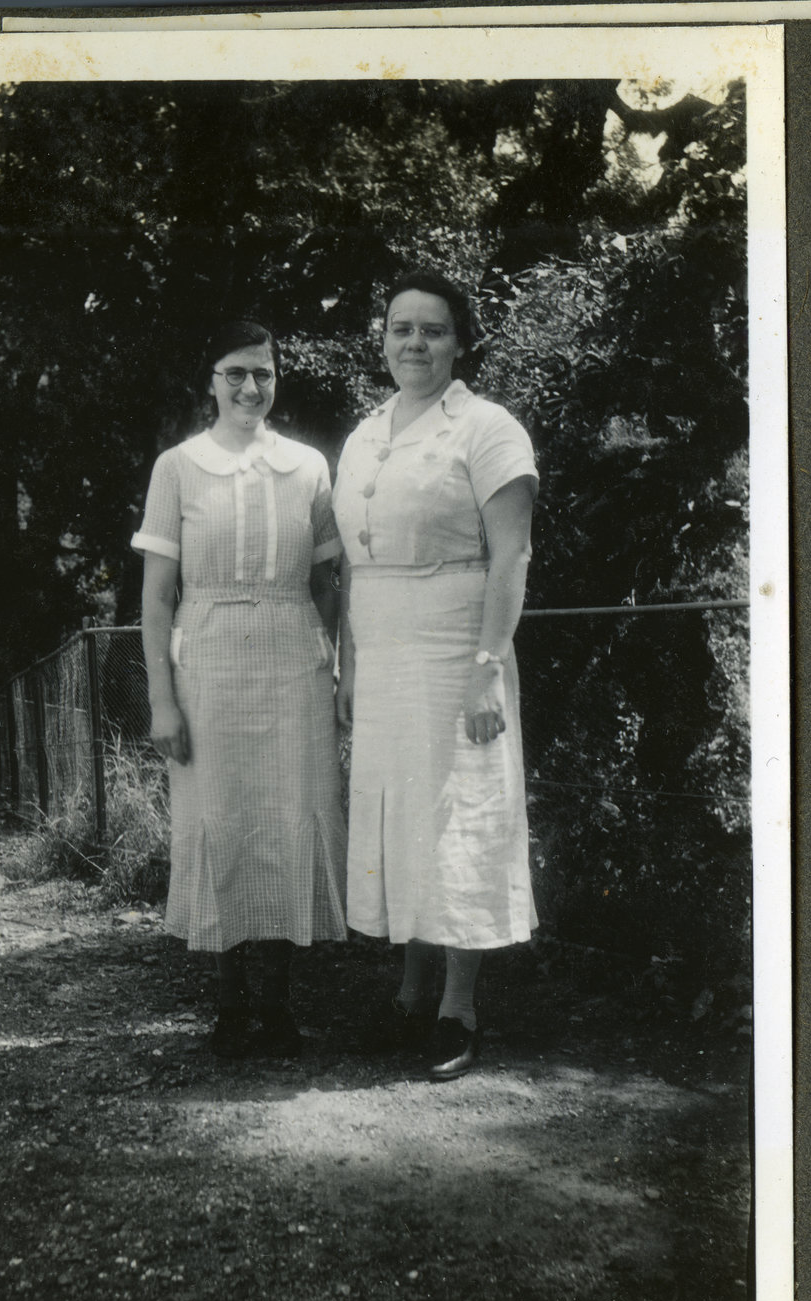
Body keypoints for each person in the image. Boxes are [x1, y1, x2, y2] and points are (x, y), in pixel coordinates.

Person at [333, 269, 538, 1081]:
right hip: (382, 652)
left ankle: (458, 1007)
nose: (414, 343)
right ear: (382, 340)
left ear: (460, 342)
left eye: (433, 329)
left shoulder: (487, 428)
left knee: (457, 821)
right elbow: (353, 565)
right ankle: (409, 995)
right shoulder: (364, 434)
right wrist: (350, 663)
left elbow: (512, 554)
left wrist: (487, 667)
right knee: (401, 821)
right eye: (401, 328)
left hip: (457, 647)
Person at [132, 319, 347, 1059]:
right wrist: (162, 699)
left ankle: (278, 1005)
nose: (250, 387)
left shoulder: (308, 466)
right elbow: (157, 596)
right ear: (212, 381)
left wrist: (329, 659)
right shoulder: (178, 467)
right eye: (236, 373)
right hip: (210, 662)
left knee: (289, 814)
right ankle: (229, 1006)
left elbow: (327, 582)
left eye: (263, 373)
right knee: (220, 815)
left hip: (294, 662)